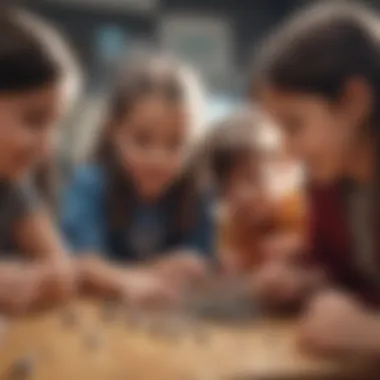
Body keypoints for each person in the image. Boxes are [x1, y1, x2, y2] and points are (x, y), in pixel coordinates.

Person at [254, 0, 380, 360]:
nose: (287, 149)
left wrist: (371, 334)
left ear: (354, 103)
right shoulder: (327, 182)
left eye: (294, 125)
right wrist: (306, 282)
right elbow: (350, 277)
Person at [62, 54, 214, 299]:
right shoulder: (90, 184)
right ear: (113, 131)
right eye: (142, 140)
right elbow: (81, 264)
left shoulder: (197, 193)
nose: (158, 159)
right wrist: (143, 276)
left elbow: (200, 265)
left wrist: (194, 267)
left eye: (176, 144)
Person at [0, 8, 82, 314]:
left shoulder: (11, 186)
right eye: (34, 121)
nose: (48, 148)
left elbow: (62, 269)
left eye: (55, 125)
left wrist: (41, 279)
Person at [205, 108, 305, 276]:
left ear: (285, 169)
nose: (241, 195)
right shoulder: (231, 224)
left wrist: (299, 249)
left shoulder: (298, 210)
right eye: (227, 186)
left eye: (252, 178)